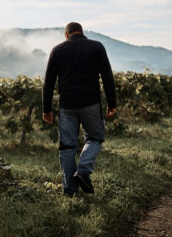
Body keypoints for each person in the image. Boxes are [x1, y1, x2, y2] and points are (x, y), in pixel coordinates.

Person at [42, 22, 117, 197]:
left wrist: (47, 109)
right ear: (82, 33)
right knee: (94, 138)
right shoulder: (97, 47)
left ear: (66, 34)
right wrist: (112, 104)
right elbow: (107, 77)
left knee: (67, 146)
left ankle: (70, 191)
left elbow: (48, 83)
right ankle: (83, 170)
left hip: (67, 105)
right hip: (91, 103)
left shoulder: (57, 50)